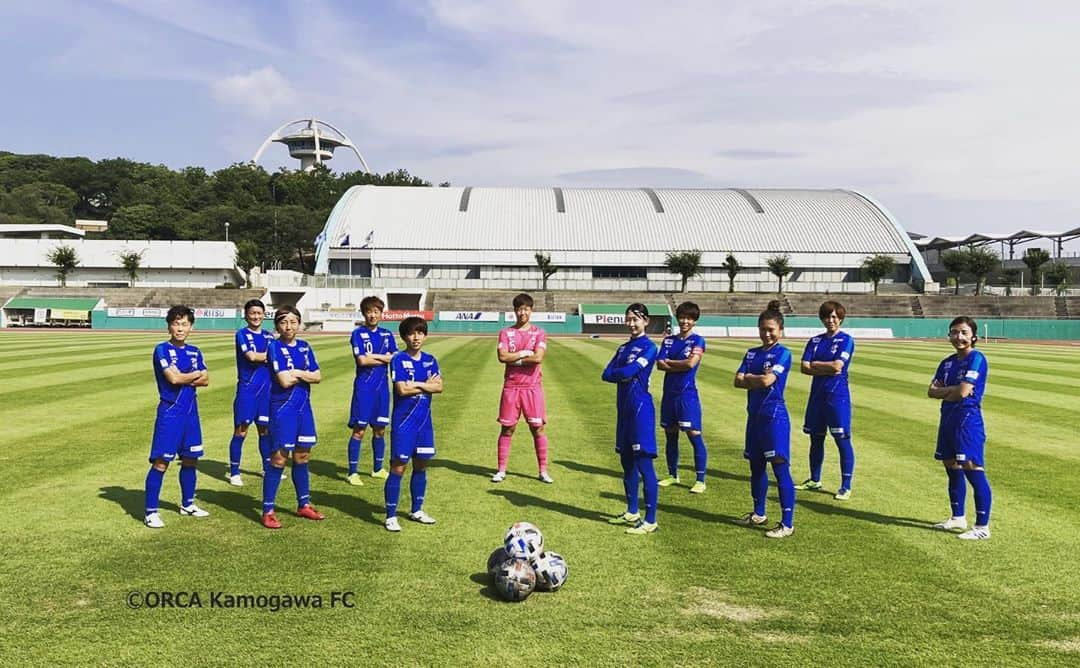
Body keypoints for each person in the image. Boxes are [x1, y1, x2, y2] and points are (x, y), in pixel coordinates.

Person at [734, 300, 796, 539]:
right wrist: (755, 378)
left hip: (774, 418)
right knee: (756, 466)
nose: (767, 333)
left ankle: (787, 523)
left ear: (780, 331)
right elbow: (736, 381)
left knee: (780, 468)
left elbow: (767, 382)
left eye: (771, 329)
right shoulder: (751, 353)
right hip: (755, 418)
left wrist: (750, 378)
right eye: (763, 329)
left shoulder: (783, 353)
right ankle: (759, 513)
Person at [144, 305, 210, 528]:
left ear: (191, 326)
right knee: (162, 462)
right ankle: (150, 511)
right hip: (171, 412)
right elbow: (173, 379)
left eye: (184, 324)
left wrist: (186, 377)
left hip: (191, 412)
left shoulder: (195, 351)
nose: (180, 328)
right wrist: (192, 375)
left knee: (191, 459)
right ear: (169, 326)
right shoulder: (162, 349)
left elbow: (206, 379)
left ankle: (187, 504)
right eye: (176, 324)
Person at [927, 316, 992, 540]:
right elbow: (931, 391)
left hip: (967, 421)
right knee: (951, 466)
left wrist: (948, 391)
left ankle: (982, 526)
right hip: (948, 419)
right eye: (954, 332)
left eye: (964, 332)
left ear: (973, 336)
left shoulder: (976, 358)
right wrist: (952, 390)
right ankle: (957, 518)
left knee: (972, 469)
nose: (959, 337)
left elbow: (963, 393)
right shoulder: (946, 362)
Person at [260, 305, 325, 529]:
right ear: (277, 325)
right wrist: (303, 375)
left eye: (293, 321)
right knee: (279, 458)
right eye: (283, 322)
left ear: (299, 323)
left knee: (302, 457)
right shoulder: (274, 347)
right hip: (282, 409)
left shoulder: (306, 347)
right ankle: (268, 510)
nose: (289, 326)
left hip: (303, 409)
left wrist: (296, 372)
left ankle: (303, 504)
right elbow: (284, 382)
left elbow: (317, 376)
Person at [601, 303, 660, 535]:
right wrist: (622, 374)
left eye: (636, 319)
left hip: (640, 411)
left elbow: (626, 372)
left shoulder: (649, 347)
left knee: (645, 465)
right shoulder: (623, 348)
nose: (631, 323)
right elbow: (606, 374)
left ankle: (651, 520)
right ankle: (632, 511)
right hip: (623, 411)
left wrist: (622, 374)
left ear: (645, 321)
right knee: (626, 463)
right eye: (628, 319)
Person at [384, 316, 444, 532]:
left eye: (420, 332)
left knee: (421, 465)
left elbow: (439, 387)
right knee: (398, 467)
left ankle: (416, 509)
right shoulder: (398, 359)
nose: (416, 337)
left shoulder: (431, 360)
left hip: (424, 423)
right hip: (404, 423)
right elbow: (402, 389)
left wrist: (418, 384)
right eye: (411, 333)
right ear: (404, 336)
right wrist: (426, 385)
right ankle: (390, 515)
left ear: (425, 335)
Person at [796, 300, 856, 500]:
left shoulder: (846, 340)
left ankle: (845, 486)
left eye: (835, 317)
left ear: (840, 319)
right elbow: (803, 367)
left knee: (842, 439)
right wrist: (824, 366)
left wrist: (816, 365)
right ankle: (814, 479)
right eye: (827, 316)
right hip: (817, 396)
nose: (831, 320)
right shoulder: (814, 341)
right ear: (822, 318)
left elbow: (837, 366)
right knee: (816, 438)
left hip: (837, 396)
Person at [492, 293, 553, 484]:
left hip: (532, 388)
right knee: (507, 428)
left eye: (525, 309)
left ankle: (543, 470)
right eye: (518, 309)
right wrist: (523, 354)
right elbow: (502, 357)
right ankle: (501, 470)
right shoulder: (505, 333)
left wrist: (515, 358)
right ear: (514, 311)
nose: (522, 312)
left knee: (538, 428)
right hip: (511, 387)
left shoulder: (539, 332)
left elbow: (538, 358)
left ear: (531, 310)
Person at [656, 301, 709, 493]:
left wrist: (670, 362)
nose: (685, 321)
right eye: (682, 317)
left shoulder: (698, 341)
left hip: (687, 395)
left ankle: (700, 479)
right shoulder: (669, 340)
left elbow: (690, 364)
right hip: (669, 394)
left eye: (689, 318)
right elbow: (659, 364)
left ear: (694, 321)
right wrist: (677, 363)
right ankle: (672, 475)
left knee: (694, 435)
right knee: (670, 435)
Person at [346, 296, 398, 485]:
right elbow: (362, 360)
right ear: (364, 313)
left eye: (376, 311)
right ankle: (352, 472)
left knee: (380, 430)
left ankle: (377, 469)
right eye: (369, 311)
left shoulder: (387, 334)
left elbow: (395, 357)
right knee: (359, 430)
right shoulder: (358, 333)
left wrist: (375, 356)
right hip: (364, 389)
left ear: (381, 313)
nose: (373, 315)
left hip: (382, 389)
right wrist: (384, 357)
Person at [226, 299, 274, 486]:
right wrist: (271, 357)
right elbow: (251, 356)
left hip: (266, 391)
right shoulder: (242, 334)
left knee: (265, 430)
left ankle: (266, 467)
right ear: (246, 315)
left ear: (264, 315)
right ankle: (235, 472)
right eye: (252, 313)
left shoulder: (270, 337)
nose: (255, 316)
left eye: (259, 313)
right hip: (247, 390)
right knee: (241, 430)